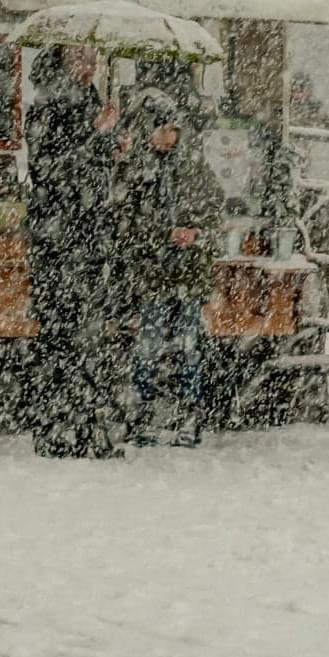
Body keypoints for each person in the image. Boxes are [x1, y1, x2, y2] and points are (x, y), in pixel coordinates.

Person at [23, 44, 126, 459]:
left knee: (90, 339)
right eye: (82, 59)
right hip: (57, 243)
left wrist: (113, 148)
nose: (91, 67)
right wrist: (95, 137)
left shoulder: (90, 100)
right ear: (63, 60)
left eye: (94, 59)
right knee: (59, 338)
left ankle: (85, 427)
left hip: (89, 241)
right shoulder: (47, 103)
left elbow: (90, 170)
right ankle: (55, 428)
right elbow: (48, 170)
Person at [116, 87, 223, 448]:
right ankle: (142, 413)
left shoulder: (194, 168)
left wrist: (197, 233)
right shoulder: (133, 170)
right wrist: (163, 234)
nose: (167, 136)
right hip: (152, 275)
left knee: (189, 345)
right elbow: (125, 224)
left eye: (172, 129)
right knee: (148, 344)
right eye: (160, 129)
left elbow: (215, 211)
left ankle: (189, 414)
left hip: (189, 274)